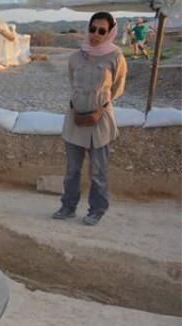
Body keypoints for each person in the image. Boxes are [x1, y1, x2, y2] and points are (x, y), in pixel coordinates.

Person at [53, 12, 127, 226]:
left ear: (110, 32)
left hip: (100, 121)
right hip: (75, 119)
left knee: (98, 172)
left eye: (102, 30)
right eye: (93, 29)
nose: (96, 34)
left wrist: (100, 107)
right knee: (72, 170)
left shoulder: (116, 56)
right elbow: (73, 84)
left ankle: (97, 210)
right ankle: (68, 206)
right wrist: (80, 106)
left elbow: (118, 87)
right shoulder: (75, 57)